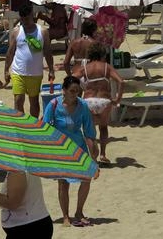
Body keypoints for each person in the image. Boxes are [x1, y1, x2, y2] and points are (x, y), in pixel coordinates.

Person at [42, 76, 98, 227]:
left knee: (86, 179)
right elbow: (45, 128)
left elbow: (89, 129)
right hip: (61, 149)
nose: (75, 94)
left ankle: (79, 212)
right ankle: (65, 216)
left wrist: (94, 150)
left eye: (77, 91)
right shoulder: (53, 105)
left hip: (79, 147)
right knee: (63, 183)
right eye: (72, 91)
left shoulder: (83, 105)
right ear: (64, 90)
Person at [73, 43, 124, 164]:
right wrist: (117, 99)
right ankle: (103, 155)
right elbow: (121, 82)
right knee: (103, 127)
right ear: (102, 54)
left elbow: (71, 79)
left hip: (88, 101)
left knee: (89, 131)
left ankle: (92, 158)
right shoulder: (106, 67)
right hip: (104, 101)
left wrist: (75, 96)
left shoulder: (85, 68)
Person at [4, 3, 55, 117]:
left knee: (34, 101)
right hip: (18, 72)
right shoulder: (16, 32)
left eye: (27, 18)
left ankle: (33, 125)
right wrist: (6, 70)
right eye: (22, 19)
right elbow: (10, 52)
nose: (25, 21)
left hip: (35, 73)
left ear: (32, 15)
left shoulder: (43, 32)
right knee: (18, 100)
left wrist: (51, 70)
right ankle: (21, 126)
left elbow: (47, 52)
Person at [0, 172, 53, 239]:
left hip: (29, 227)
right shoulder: (22, 168)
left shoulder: (17, 171)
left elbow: (12, 203)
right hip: (31, 224)